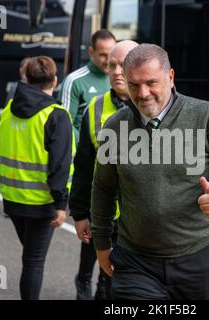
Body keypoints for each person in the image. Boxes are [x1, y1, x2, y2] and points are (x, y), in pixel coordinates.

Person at [91, 44, 209, 300]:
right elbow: (103, 188)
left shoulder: (206, 116)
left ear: (170, 77)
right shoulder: (115, 126)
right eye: (134, 85)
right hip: (135, 262)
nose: (143, 93)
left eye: (151, 83)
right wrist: (102, 244)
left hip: (199, 258)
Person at [0, 56, 75, 300]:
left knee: (30, 256)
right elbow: (61, 166)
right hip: (42, 204)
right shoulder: (57, 115)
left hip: (12, 199)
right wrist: (61, 205)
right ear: (55, 80)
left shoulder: (9, 110)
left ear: (27, 78)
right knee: (33, 261)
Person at [69, 40, 138, 300]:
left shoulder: (155, 106)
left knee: (116, 284)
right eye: (112, 65)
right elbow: (84, 167)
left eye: (124, 64)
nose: (118, 71)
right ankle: (84, 285)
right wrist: (78, 212)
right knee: (98, 270)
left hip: (139, 221)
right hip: (101, 215)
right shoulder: (95, 108)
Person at [59, 29, 116, 142]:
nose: (108, 60)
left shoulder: (123, 78)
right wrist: (87, 148)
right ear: (91, 52)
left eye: (111, 54)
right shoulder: (74, 81)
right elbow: (63, 124)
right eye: (103, 55)